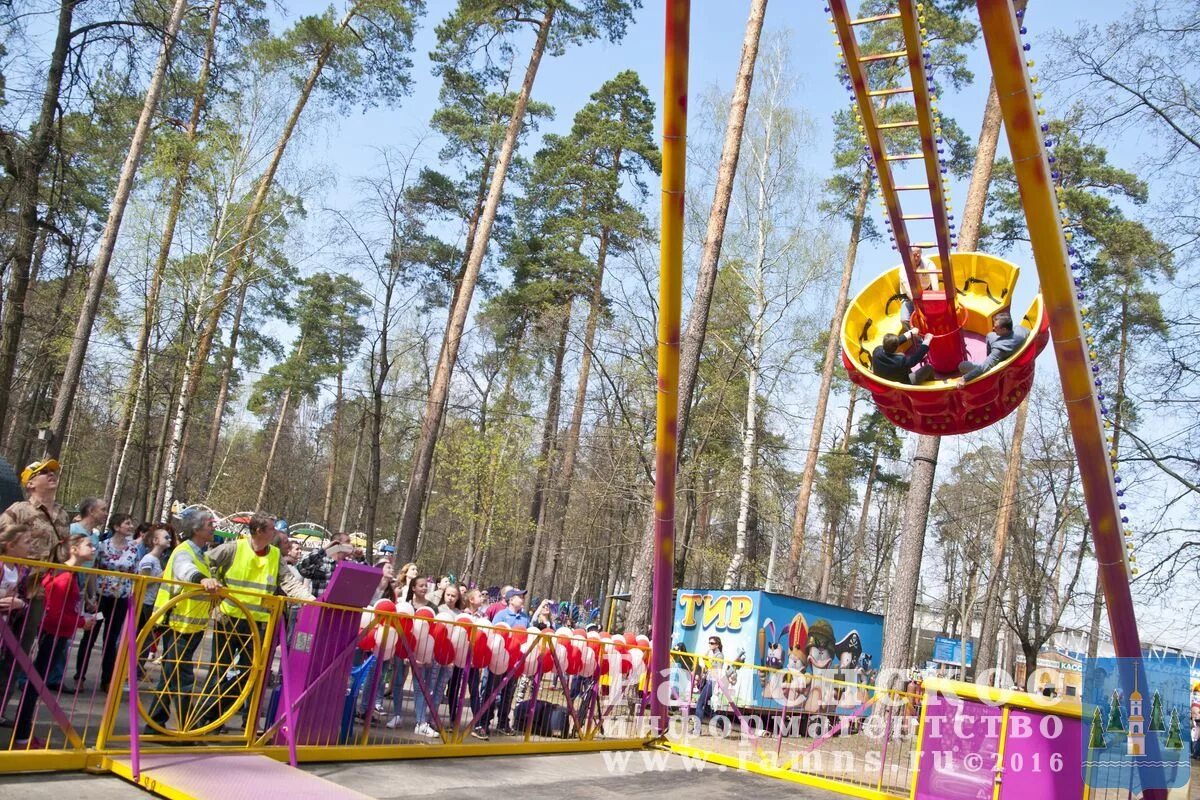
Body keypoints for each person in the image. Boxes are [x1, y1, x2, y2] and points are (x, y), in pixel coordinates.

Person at [202, 513, 313, 728]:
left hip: (258, 624)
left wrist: (311, 601)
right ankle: (205, 719)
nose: (276, 533)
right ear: (259, 531)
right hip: (228, 619)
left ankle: (222, 717)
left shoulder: (274, 555)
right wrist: (210, 579)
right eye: (272, 529)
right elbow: (205, 562)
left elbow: (289, 582)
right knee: (218, 669)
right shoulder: (233, 548)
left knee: (250, 674)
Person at [11, 533, 96, 748]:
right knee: (35, 685)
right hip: (54, 635)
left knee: (37, 684)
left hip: (58, 635)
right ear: (74, 549)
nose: (93, 548)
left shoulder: (69, 574)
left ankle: (23, 733)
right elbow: (55, 614)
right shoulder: (64, 577)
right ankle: (22, 736)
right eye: (88, 545)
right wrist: (81, 622)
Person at [75, 512, 140, 691]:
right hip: (101, 598)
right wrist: (90, 597)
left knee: (111, 639)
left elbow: (135, 574)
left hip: (120, 599)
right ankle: (79, 676)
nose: (130, 527)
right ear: (116, 527)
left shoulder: (133, 549)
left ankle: (107, 679)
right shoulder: (102, 547)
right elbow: (92, 571)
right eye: (127, 523)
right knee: (90, 635)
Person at [480, 588, 531, 737]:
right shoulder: (500, 616)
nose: (522, 599)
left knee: (508, 693)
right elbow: (494, 635)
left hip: (513, 662)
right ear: (510, 599)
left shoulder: (525, 618)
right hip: (497, 660)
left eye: (523, 597)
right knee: (491, 692)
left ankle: (503, 722)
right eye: (519, 596)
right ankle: (484, 723)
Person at [0, 524, 32, 725]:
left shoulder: (21, 569)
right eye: (27, 542)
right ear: (11, 545)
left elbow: (20, 596)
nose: (31, 546)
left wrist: (21, 603)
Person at [407, 576, 446, 737]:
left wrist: (429, 654)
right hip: (408, 649)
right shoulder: (407, 605)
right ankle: (418, 721)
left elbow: (434, 631)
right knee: (414, 686)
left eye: (425, 586)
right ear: (413, 588)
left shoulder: (433, 607)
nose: (424, 588)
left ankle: (421, 722)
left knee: (422, 687)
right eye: (421, 586)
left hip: (426, 653)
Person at [955, 311, 1029, 386]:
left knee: (963, 366)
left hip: (996, 369)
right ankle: (989, 358)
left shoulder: (999, 349)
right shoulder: (1020, 330)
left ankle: (988, 358)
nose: (993, 328)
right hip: (1008, 355)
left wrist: (964, 378)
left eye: (996, 327)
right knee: (990, 335)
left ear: (1004, 330)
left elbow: (984, 367)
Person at [297, 532, 352, 598]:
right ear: (336, 544)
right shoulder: (321, 560)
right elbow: (303, 566)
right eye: (347, 542)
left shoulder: (350, 564)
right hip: (321, 605)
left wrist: (360, 557)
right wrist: (325, 549)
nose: (350, 545)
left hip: (341, 606)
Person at [898, 246, 941, 329]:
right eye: (914, 255)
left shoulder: (928, 264)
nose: (916, 257)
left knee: (935, 314)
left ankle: (935, 331)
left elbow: (935, 283)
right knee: (904, 320)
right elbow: (909, 290)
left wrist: (935, 299)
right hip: (910, 298)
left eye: (918, 255)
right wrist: (919, 306)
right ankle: (919, 339)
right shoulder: (903, 269)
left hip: (927, 293)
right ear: (909, 255)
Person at [694, 636, 724, 723]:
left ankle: (697, 728)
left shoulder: (719, 656)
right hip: (709, 681)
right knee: (706, 707)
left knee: (699, 704)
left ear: (717, 645)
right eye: (709, 643)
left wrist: (707, 662)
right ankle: (722, 722)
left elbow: (718, 671)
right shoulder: (713, 654)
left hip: (712, 682)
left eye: (712, 643)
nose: (710, 645)